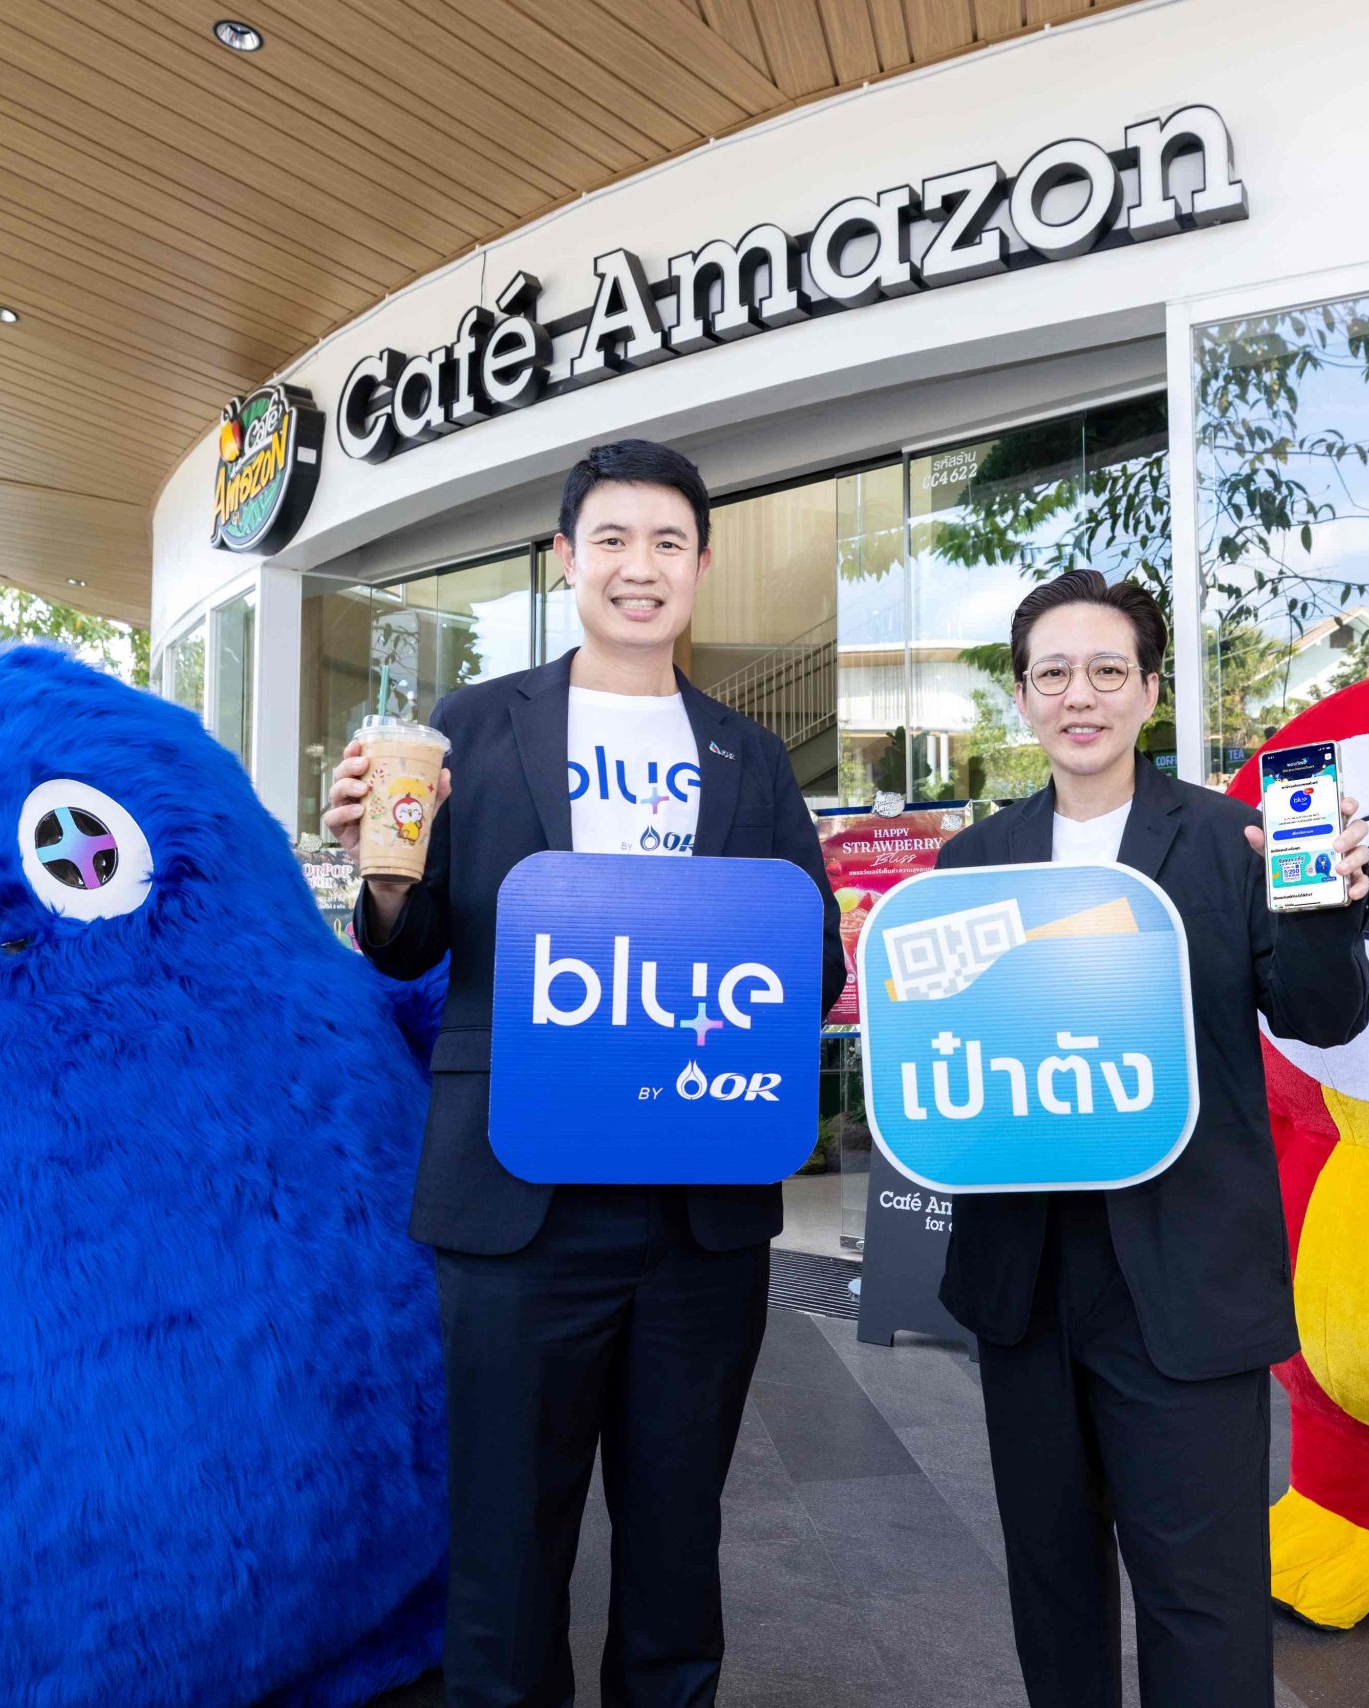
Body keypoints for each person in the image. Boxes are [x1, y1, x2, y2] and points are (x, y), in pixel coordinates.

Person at [325, 439, 846, 1708]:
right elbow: (409, 942)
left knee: (677, 1545)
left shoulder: (750, 756)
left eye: (667, 541)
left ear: (701, 565)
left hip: (695, 1211)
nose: (638, 565)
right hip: (517, 1201)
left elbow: (811, 958)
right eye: (611, 538)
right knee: (504, 1552)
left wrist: (772, 951)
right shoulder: (466, 728)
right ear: (566, 558)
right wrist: (380, 873)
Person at [935, 569, 1369, 1708]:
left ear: (1149, 690)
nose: (1078, 695)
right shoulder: (970, 864)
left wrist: (1329, 909)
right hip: (1024, 1276)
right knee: (1053, 1589)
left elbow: (1322, 1016)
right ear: (1021, 697)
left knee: (1203, 1598)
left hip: (1185, 1274)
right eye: (1052, 674)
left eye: (1106, 670)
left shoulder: (1236, 842)